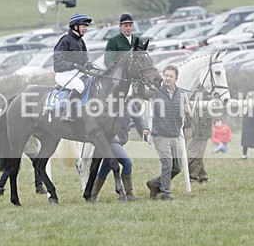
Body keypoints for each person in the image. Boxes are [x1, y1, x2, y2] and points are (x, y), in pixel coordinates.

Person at [90, 98, 150, 201]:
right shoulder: (108, 103)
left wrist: (144, 128)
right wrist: (111, 134)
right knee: (127, 163)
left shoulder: (130, 104)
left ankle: (92, 195)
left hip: (120, 141)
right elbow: (100, 122)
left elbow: (138, 119)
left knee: (106, 168)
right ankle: (129, 194)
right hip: (110, 142)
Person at [146, 65, 189, 201]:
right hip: (160, 135)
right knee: (167, 163)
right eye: (166, 75)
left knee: (177, 167)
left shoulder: (182, 94)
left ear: (176, 79)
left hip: (175, 134)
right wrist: (139, 83)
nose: (167, 78)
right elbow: (142, 94)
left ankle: (154, 183)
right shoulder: (156, 92)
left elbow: (189, 116)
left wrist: (187, 110)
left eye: (171, 76)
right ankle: (166, 193)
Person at [53, 13, 95, 121]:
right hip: (63, 74)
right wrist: (75, 65)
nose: (85, 28)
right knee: (79, 86)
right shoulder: (65, 40)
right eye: (83, 26)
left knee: (93, 81)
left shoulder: (81, 42)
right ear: (75, 26)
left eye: (86, 26)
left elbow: (84, 59)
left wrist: (87, 63)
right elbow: (57, 63)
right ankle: (66, 113)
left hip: (76, 73)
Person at [185, 87, 213, 183]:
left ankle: (192, 177)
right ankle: (202, 177)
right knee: (193, 152)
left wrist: (190, 111)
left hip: (200, 127)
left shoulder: (205, 93)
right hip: (188, 126)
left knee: (192, 153)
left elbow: (205, 114)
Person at [240, 91, 254, 159]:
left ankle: (244, 154)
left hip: (248, 125)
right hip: (252, 124)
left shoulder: (245, 104)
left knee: (246, 140)